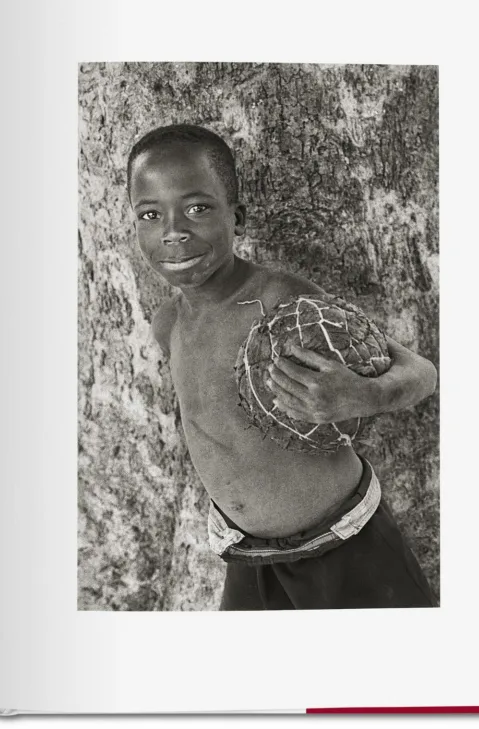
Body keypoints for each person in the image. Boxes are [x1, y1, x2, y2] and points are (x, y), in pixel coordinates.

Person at [129, 123, 437, 610]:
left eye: (197, 208)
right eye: (150, 214)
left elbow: (421, 372)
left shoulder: (282, 303)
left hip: (343, 544)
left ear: (237, 218)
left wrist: (362, 394)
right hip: (247, 554)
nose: (174, 232)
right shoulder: (168, 323)